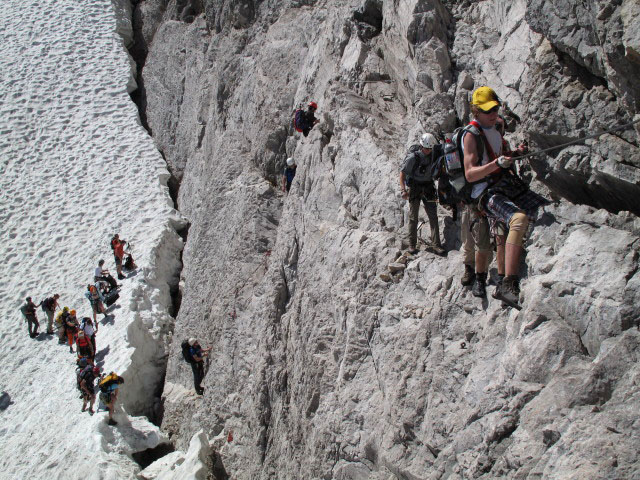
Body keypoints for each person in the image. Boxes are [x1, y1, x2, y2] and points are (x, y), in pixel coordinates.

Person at [463, 86, 547, 306]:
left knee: (542, 209)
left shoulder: (495, 130)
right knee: (517, 219)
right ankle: (509, 283)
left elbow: (500, 156)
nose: (493, 114)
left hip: (503, 184)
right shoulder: (471, 135)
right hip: (485, 192)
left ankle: (504, 279)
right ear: (476, 111)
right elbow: (470, 174)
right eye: (487, 110)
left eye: (495, 109)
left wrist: (514, 154)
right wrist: (496, 164)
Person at [399, 133, 446, 255]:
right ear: (421, 146)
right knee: (413, 217)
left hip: (429, 187)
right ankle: (412, 244)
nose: (428, 151)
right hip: (415, 187)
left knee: (433, 216)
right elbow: (402, 174)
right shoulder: (412, 158)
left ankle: (436, 245)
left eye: (430, 149)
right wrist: (403, 190)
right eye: (426, 148)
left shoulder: (434, 156)